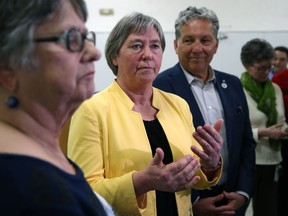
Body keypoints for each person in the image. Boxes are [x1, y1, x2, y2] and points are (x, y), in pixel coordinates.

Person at [67, 12, 224, 216]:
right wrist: (141, 182)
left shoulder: (178, 105)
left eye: (155, 46)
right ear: (114, 56)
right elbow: (82, 191)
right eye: (136, 45)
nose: (148, 54)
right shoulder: (91, 109)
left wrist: (209, 164)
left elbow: (190, 177)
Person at [0, 0, 116, 215]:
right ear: (8, 65)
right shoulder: (20, 186)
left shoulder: (39, 150)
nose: (94, 52)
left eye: (85, 37)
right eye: (71, 39)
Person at [153, 6, 256, 216]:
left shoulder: (233, 84)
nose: (197, 48)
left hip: (232, 199)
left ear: (216, 45)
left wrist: (243, 193)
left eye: (205, 40)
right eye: (189, 40)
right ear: (175, 45)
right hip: (186, 202)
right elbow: (158, 152)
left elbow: (246, 143)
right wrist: (194, 201)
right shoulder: (158, 86)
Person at [240, 38, 288, 216]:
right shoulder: (238, 89)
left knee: (267, 210)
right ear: (246, 65)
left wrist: (284, 130)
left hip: (273, 160)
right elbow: (235, 130)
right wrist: (262, 132)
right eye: (261, 68)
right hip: (248, 161)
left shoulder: (274, 88)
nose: (266, 72)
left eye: (269, 67)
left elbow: (281, 119)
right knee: (238, 209)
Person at [272, 66, 288, 216]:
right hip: (259, 153)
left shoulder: (275, 86)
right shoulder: (278, 80)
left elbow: (282, 118)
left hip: (279, 146)